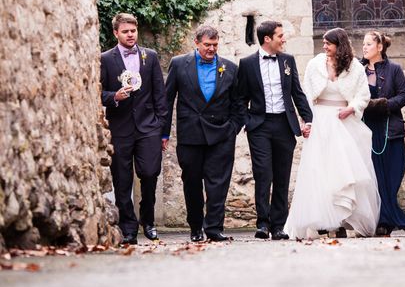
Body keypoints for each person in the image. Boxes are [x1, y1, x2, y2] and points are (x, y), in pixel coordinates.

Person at [285, 28, 381, 239]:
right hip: (320, 121)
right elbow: (306, 96)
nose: (324, 46)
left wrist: (352, 108)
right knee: (319, 171)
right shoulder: (314, 65)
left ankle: (343, 221)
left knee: (344, 173)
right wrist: (306, 121)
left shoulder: (355, 67)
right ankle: (322, 222)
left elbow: (363, 95)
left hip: (343, 121)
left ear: (340, 45)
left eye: (328, 43)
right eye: (324, 42)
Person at [162, 25, 244, 243]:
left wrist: (233, 128)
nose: (211, 49)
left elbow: (238, 103)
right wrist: (163, 133)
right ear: (196, 42)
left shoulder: (230, 68)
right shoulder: (179, 64)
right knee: (191, 183)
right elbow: (167, 100)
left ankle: (214, 228)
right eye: (207, 45)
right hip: (191, 135)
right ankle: (196, 227)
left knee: (218, 183)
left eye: (215, 45)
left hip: (221, 135)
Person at [237, 21, 313, 241]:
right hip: (259, 126)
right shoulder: (247, 63)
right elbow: (241, 98)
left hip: (284, 125)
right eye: (280, 35)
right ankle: (262, 223)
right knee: (263, 174)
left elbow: (297, 92)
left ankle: (279, 225)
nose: (284, 39)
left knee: (282, 175)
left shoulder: (288, 60)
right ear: (267, 39)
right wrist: (247, 121)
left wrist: (307, 118)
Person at [100, 13, 167, 245]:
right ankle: (128, 227)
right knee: (122, 178)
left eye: (133, 31)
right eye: (125, 31)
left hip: (148, 127)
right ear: (116, 33)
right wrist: (114, 97)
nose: (130, 35)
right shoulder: (105, 59)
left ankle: (147, 220)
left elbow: (160, 94)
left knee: (150, 172)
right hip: (120, 127)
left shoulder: (150, 56)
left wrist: (160, 126)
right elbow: (98, 93)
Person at [361, 31, 405, 236]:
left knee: (393, 174)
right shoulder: (358, 70)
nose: (364, 47)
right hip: (367, 130)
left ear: (380, 47)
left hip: (391, 129)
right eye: (363, 44)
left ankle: (389, 216)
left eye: (369, 44)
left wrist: (385, 105)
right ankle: (383, 221)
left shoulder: (394, 69)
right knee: (376, 178)